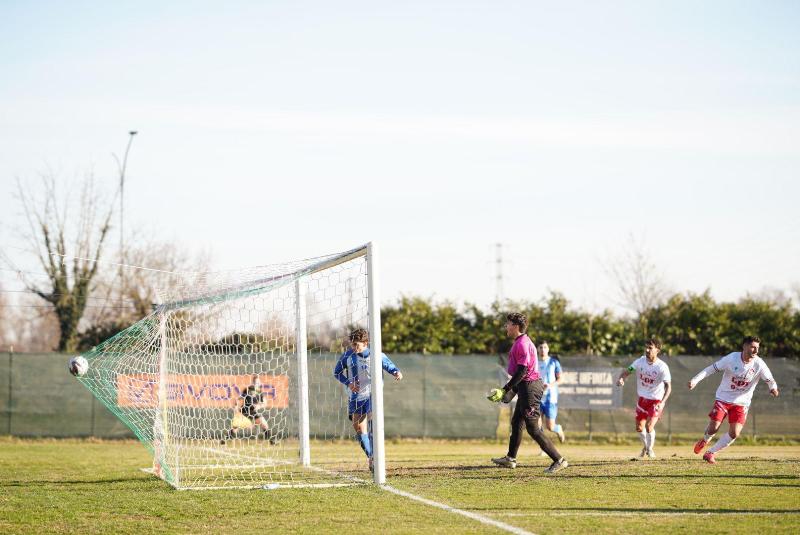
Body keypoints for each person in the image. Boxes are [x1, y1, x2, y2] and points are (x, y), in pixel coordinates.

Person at [488, 312, 568, 473]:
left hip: (530, 387)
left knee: (533, 428)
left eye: (508, 324)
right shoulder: (520, 342)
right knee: (517, 422)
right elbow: (522, 376)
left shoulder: (523, 343)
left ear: (515, 326)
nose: (506, 327)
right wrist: (507, 394)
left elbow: (523, 371)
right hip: (526, 386)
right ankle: (511, 458)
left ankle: (559, 460)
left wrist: (505, 389)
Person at [688, 336, 779, 464]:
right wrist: (695, 380)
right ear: (744, 346)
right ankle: (705, 439)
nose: (756, 351)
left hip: (742, 403)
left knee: (735, 433)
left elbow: (770, 379)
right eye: (753, 347)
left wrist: (773, 388)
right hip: (723, 398)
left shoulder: (759, 363)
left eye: (758, 348)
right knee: (714, 427)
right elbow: (711, 369)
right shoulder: (731, 358)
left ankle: (711, 453)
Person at [334, 328, 403, 470]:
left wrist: (396, 372)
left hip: (373, 395)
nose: (354, 347)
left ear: (365, 343)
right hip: (356, 397)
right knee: (358, 427)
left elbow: (389, 365)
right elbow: (337, 372)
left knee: (373, 424)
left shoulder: (377, 355)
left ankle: (377, 458)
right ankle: (372, 456)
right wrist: (349, 383)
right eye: (352, 344)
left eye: (356, 345)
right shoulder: (348, 356)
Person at [617, 339, 671, 458]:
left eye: (650, 348)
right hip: (642, 400)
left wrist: (662, 402)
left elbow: (668, 387)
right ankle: (646, 447)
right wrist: (621, 378)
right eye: (646, 347)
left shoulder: (662, 367)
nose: (647, 350)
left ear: (657, 350)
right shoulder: (639, 362)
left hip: (656, 401)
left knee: (649, 426)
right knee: (639, 427)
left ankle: (650, 450)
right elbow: (627, 371)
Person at [221, 374, 275, 445]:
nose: (257, 384)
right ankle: (224, 440)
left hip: (253, 412)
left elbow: (264, 403)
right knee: (235, 428)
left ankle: (272, 441)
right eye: (255, 382)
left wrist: (259, 406)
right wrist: (236, 406)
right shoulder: (247, 389)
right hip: (244, 411)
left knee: (264, 424)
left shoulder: (260, 392)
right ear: (253, 382)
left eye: (258, 382)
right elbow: (239, 399)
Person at [538, 340, 566, 444]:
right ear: (537, 349)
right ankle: (544, 447)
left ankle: (558, 429)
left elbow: (561, 379)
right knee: (537, 425)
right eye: (540, 347)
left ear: (548, 349)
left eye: (545, 347)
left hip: (551, 398)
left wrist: (550, 385)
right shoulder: (534, 362)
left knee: (550, 426)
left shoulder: (554, 362)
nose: (543, 350)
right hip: (538, 398)